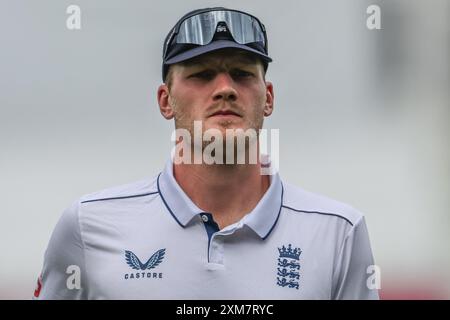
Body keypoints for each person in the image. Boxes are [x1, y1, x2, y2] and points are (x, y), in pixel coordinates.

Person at [34, 7, 379, 300]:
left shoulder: (338, 233)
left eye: (242, 74)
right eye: (202, 75)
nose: (225, 89)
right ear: (165, 101)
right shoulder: (86, 226)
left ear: (268, 98)